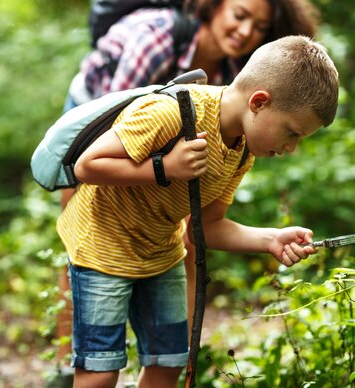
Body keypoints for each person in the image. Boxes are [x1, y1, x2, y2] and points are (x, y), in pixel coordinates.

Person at [56, 35, 339, 387]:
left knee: (168, 364)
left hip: (161, 253)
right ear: (259, 102)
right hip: (101, 248)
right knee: (100, 374)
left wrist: (270, 239)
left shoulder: (241, 150)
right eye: (292, 133)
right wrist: (164, 168)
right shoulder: (172, 112)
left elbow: (206, 227)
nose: (291, 148)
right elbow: (88, 166)